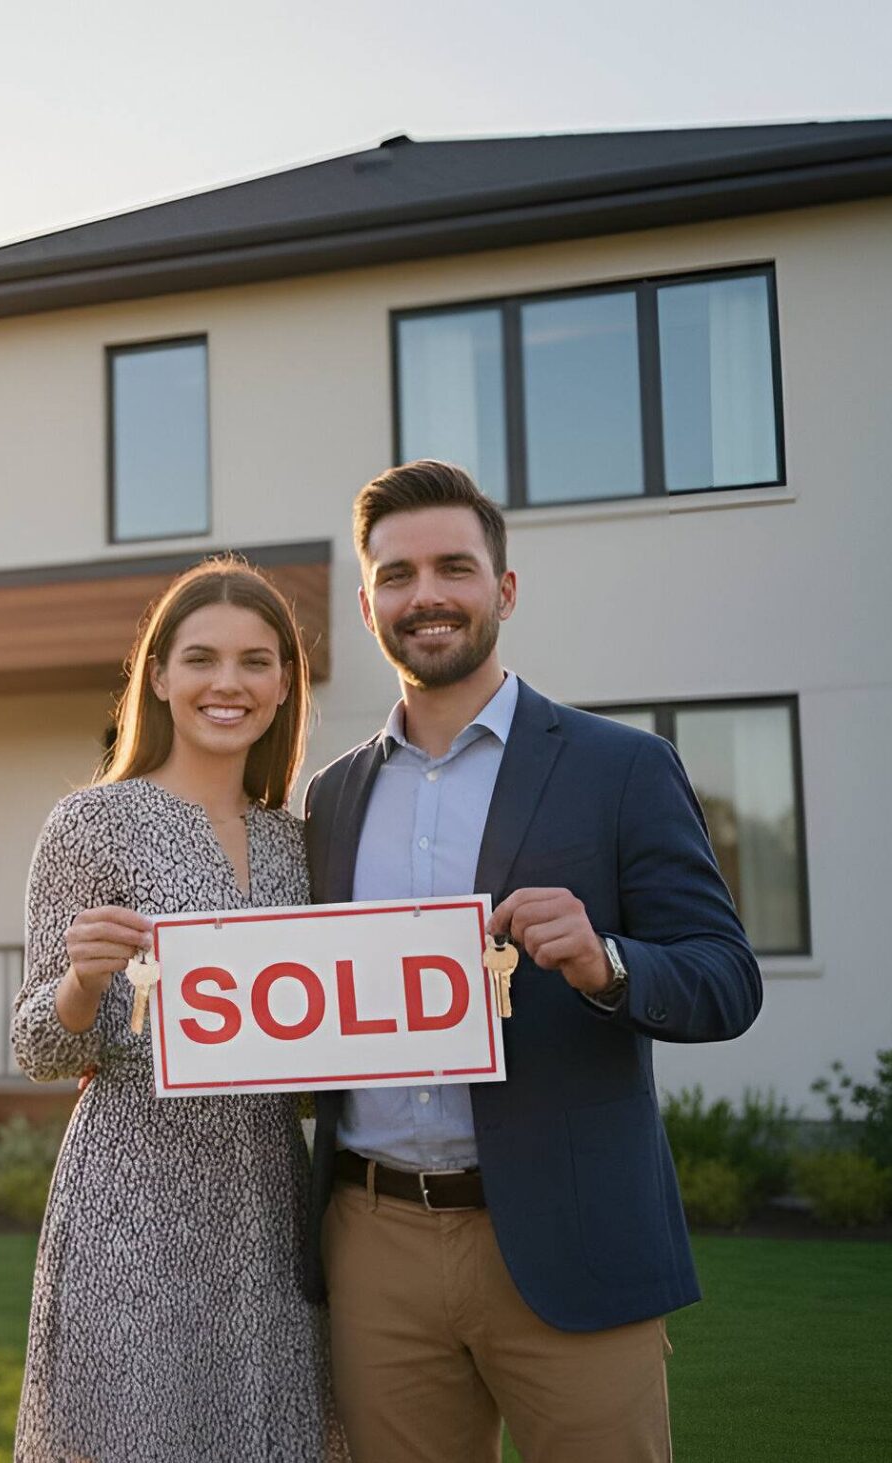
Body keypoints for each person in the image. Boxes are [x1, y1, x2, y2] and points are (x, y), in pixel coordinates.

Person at [300, 459, 763, 1463]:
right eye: (396, 573)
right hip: (370, 1236)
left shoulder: (618, 766)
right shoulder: (328, 797)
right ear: (370, 598)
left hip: (571, 1232)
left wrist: (606, 961)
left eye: (453, 567)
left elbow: (725, 977)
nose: (425, 593)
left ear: (502, 589)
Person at [11, 557, 347, 1463]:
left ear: (285, 683)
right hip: (133, 1199)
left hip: (269, 1201)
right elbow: (36, 1042)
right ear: (158, 676)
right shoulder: (90, 823)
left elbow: (322, 1042)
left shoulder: (301, 842)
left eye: (255, 660)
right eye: (200, 658)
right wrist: (82, 982)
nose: (227, 683)